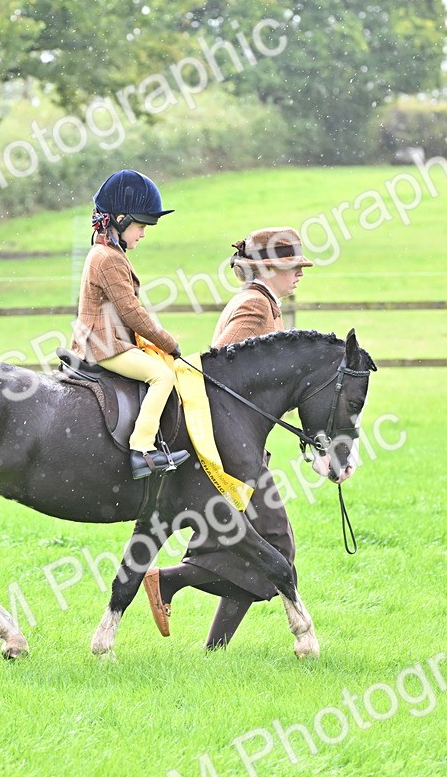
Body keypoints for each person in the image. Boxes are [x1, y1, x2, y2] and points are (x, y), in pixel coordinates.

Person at [143, 226, 315, 647]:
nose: (300, 274)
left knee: (253, 548)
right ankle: (167, 582)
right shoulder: (255, 305)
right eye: (293, 266)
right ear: (268, 267)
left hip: (239, 445)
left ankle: (211, 644)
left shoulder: (266, 303)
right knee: (275, 546)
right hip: (228, 449)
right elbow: (219, 370)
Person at [70, 169, 190, 479]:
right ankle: (142, 449)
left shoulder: (106, 252)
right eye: (140, 226)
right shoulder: (108, 258)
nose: (143, 233)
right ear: (120, 220)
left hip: (105, 340)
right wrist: (169, 343)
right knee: (162, 377)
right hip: (102, 344)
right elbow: (132, 313)